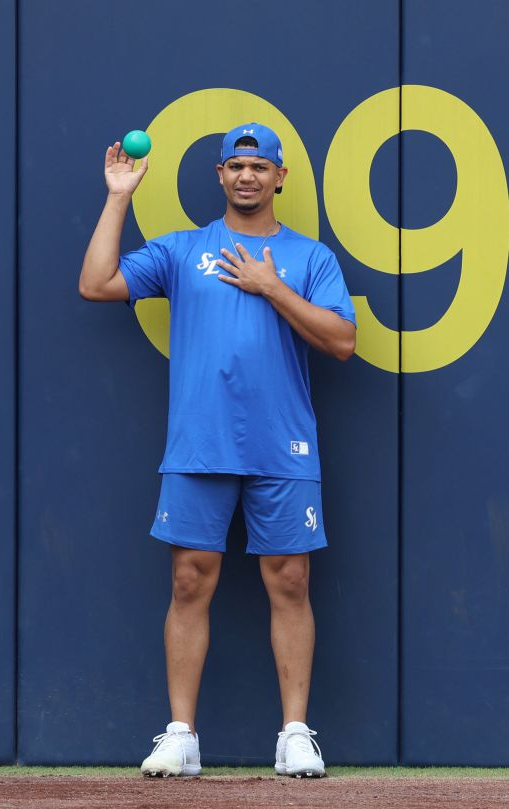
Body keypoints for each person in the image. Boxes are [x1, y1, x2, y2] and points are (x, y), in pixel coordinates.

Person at [79, 122, 356, 778]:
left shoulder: (310, 258)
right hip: (199, 443)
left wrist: (272, 287)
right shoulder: (183, 250)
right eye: (236, 165)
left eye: (259, 166)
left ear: (280, 177)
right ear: (221, 175)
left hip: (283, 445)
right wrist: (119, 196)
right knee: (188, 579)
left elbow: (343, 341)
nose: (247, 175)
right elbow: (96, 283)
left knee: (290, 580)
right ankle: (181, 735)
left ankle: (294, 734)